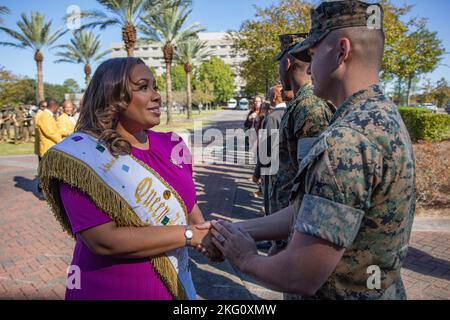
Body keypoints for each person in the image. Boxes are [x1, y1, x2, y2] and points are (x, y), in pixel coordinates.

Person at [206, 0, 416, 300]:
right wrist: (238, 230)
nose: (309, 67)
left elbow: (299, 275)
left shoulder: (346, 140)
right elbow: (310, 211)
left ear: (342, 52)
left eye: (314, 54)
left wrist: (245, 258)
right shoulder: (381, 114)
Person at [38, 57, 217, 300]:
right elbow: (104, 240)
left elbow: (188, 202)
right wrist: (189, 235)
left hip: (176, 284)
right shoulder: (80, 157)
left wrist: (206, 236)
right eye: (143, 87)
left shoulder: (173, 143)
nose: (156, 95)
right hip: (112, 288)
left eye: (154, 86)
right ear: (113, 98)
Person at [268, 33, 336, 254]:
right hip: (289, 231)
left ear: (286, 63)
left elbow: (313, 185)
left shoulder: (309, 107)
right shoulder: (302, 104)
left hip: (297, 236)